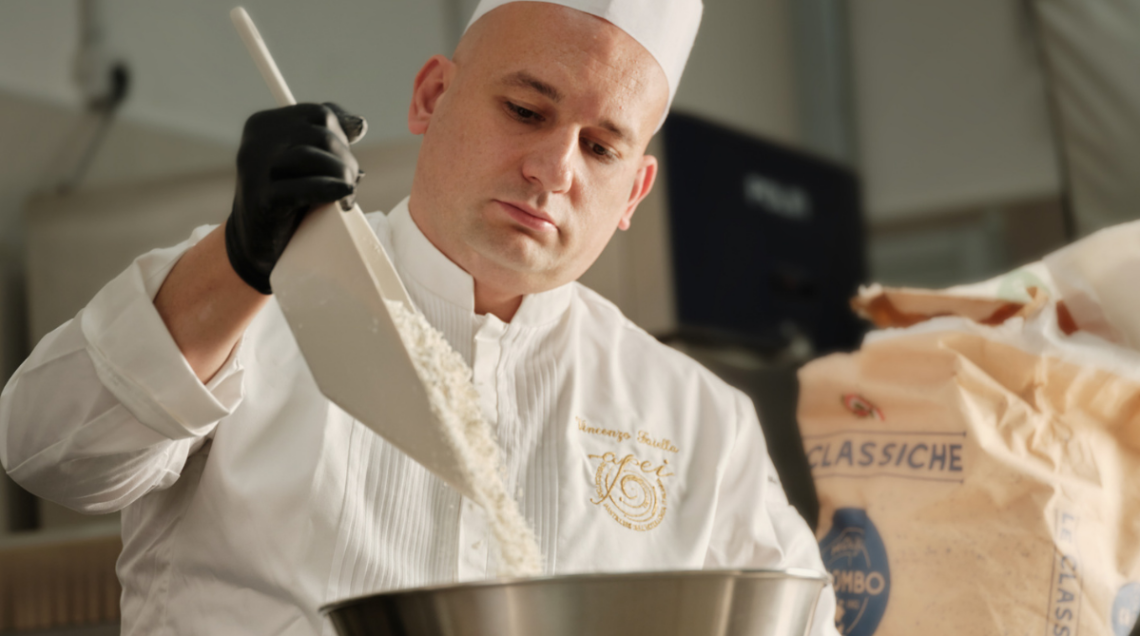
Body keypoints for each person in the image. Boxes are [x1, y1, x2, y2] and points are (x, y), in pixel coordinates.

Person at [0, 1, 841, 634]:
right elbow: (46, 452)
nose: (554, 169)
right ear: (433, 96)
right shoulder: (255, 289)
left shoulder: (700, 420)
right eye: (526, 111)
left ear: (634, 193)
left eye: (600, 147)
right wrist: (239, 261)